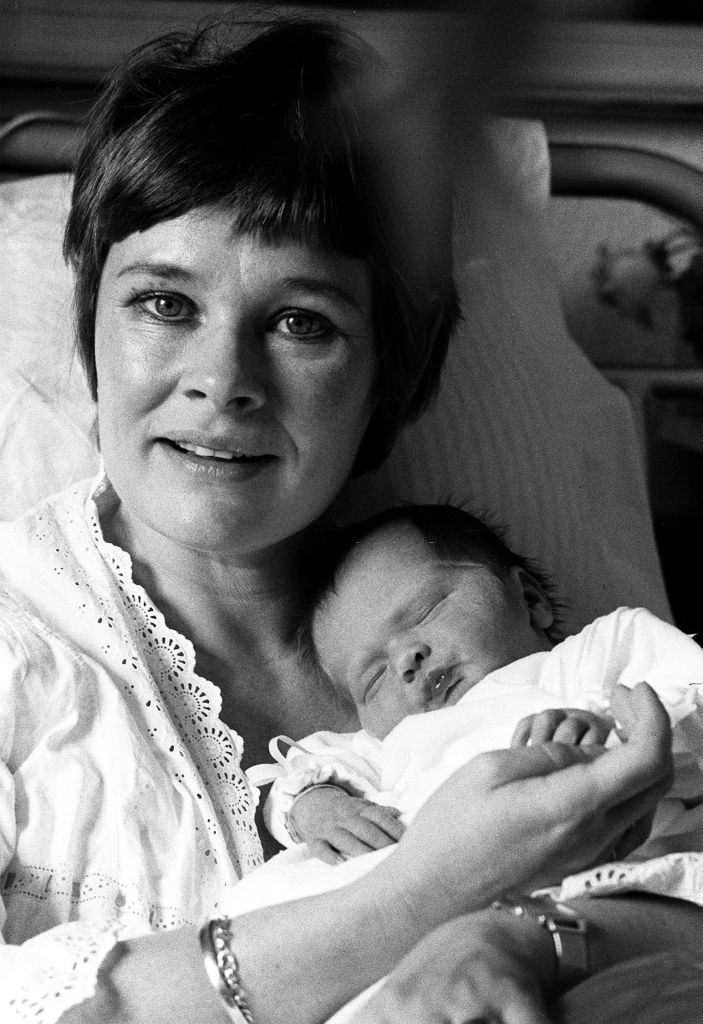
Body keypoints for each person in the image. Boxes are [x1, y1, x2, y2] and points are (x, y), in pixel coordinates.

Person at [0, 15, 697, 1024]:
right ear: (90, 328)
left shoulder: (506, 646)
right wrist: (426, 892)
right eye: (164, 303)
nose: (221, 381)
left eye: (300, 322)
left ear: (388, 382)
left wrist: (512, 941)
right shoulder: (18, 652)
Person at [253, 504, 703, 869]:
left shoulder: (594, 654)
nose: (406, 661)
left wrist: (609, 730)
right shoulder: (383, 749)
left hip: (620, 877)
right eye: (373, 678)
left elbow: (693, 690)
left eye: (427, 611)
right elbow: (291, 779)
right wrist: (321, 807)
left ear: (529, 600)